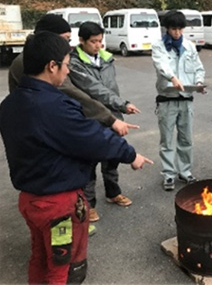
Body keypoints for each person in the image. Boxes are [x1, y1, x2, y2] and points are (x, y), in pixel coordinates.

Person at [0, 31, 152, 284]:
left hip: (30, 201)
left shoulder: (10, 104)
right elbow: (92, 138)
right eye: (66, 66)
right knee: (64, 267)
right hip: (58, 207)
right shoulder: (54, 106)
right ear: (52, 66)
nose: (68, 72)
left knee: (39, 257)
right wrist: (131, 154)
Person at [8, 14, 136, 138]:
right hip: (39, 134)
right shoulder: (32, 61)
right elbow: (72, 91)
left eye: (68, 40)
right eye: (64, 39)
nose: (67, 45)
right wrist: (110, 119)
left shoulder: (106, 59)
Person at [68, 22, 140, 222]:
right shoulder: (74, 63)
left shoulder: (107, 59)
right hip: (90, 116)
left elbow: (111, 88)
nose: (98, 45)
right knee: (89, 161)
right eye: (93, 41)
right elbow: (94, 89)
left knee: (112, 158)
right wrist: (122, 104)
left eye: (101, 40)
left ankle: (113, 192)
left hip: (113, 115)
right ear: (81, 41)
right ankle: (89, 204)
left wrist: (119, 109)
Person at [151, 10, 206, 191]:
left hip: (186, 99)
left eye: (180, 29)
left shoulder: (189, 46)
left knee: (186, 138)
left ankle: (185, 171)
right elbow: (161, 65)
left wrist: (199, 82)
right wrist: (173, 78)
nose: (177, 33)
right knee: (167, 140)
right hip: (167, 99)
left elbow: (198, 68)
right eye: (174, 29)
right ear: (167, 28)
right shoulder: (159, 46)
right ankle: (168, 174)